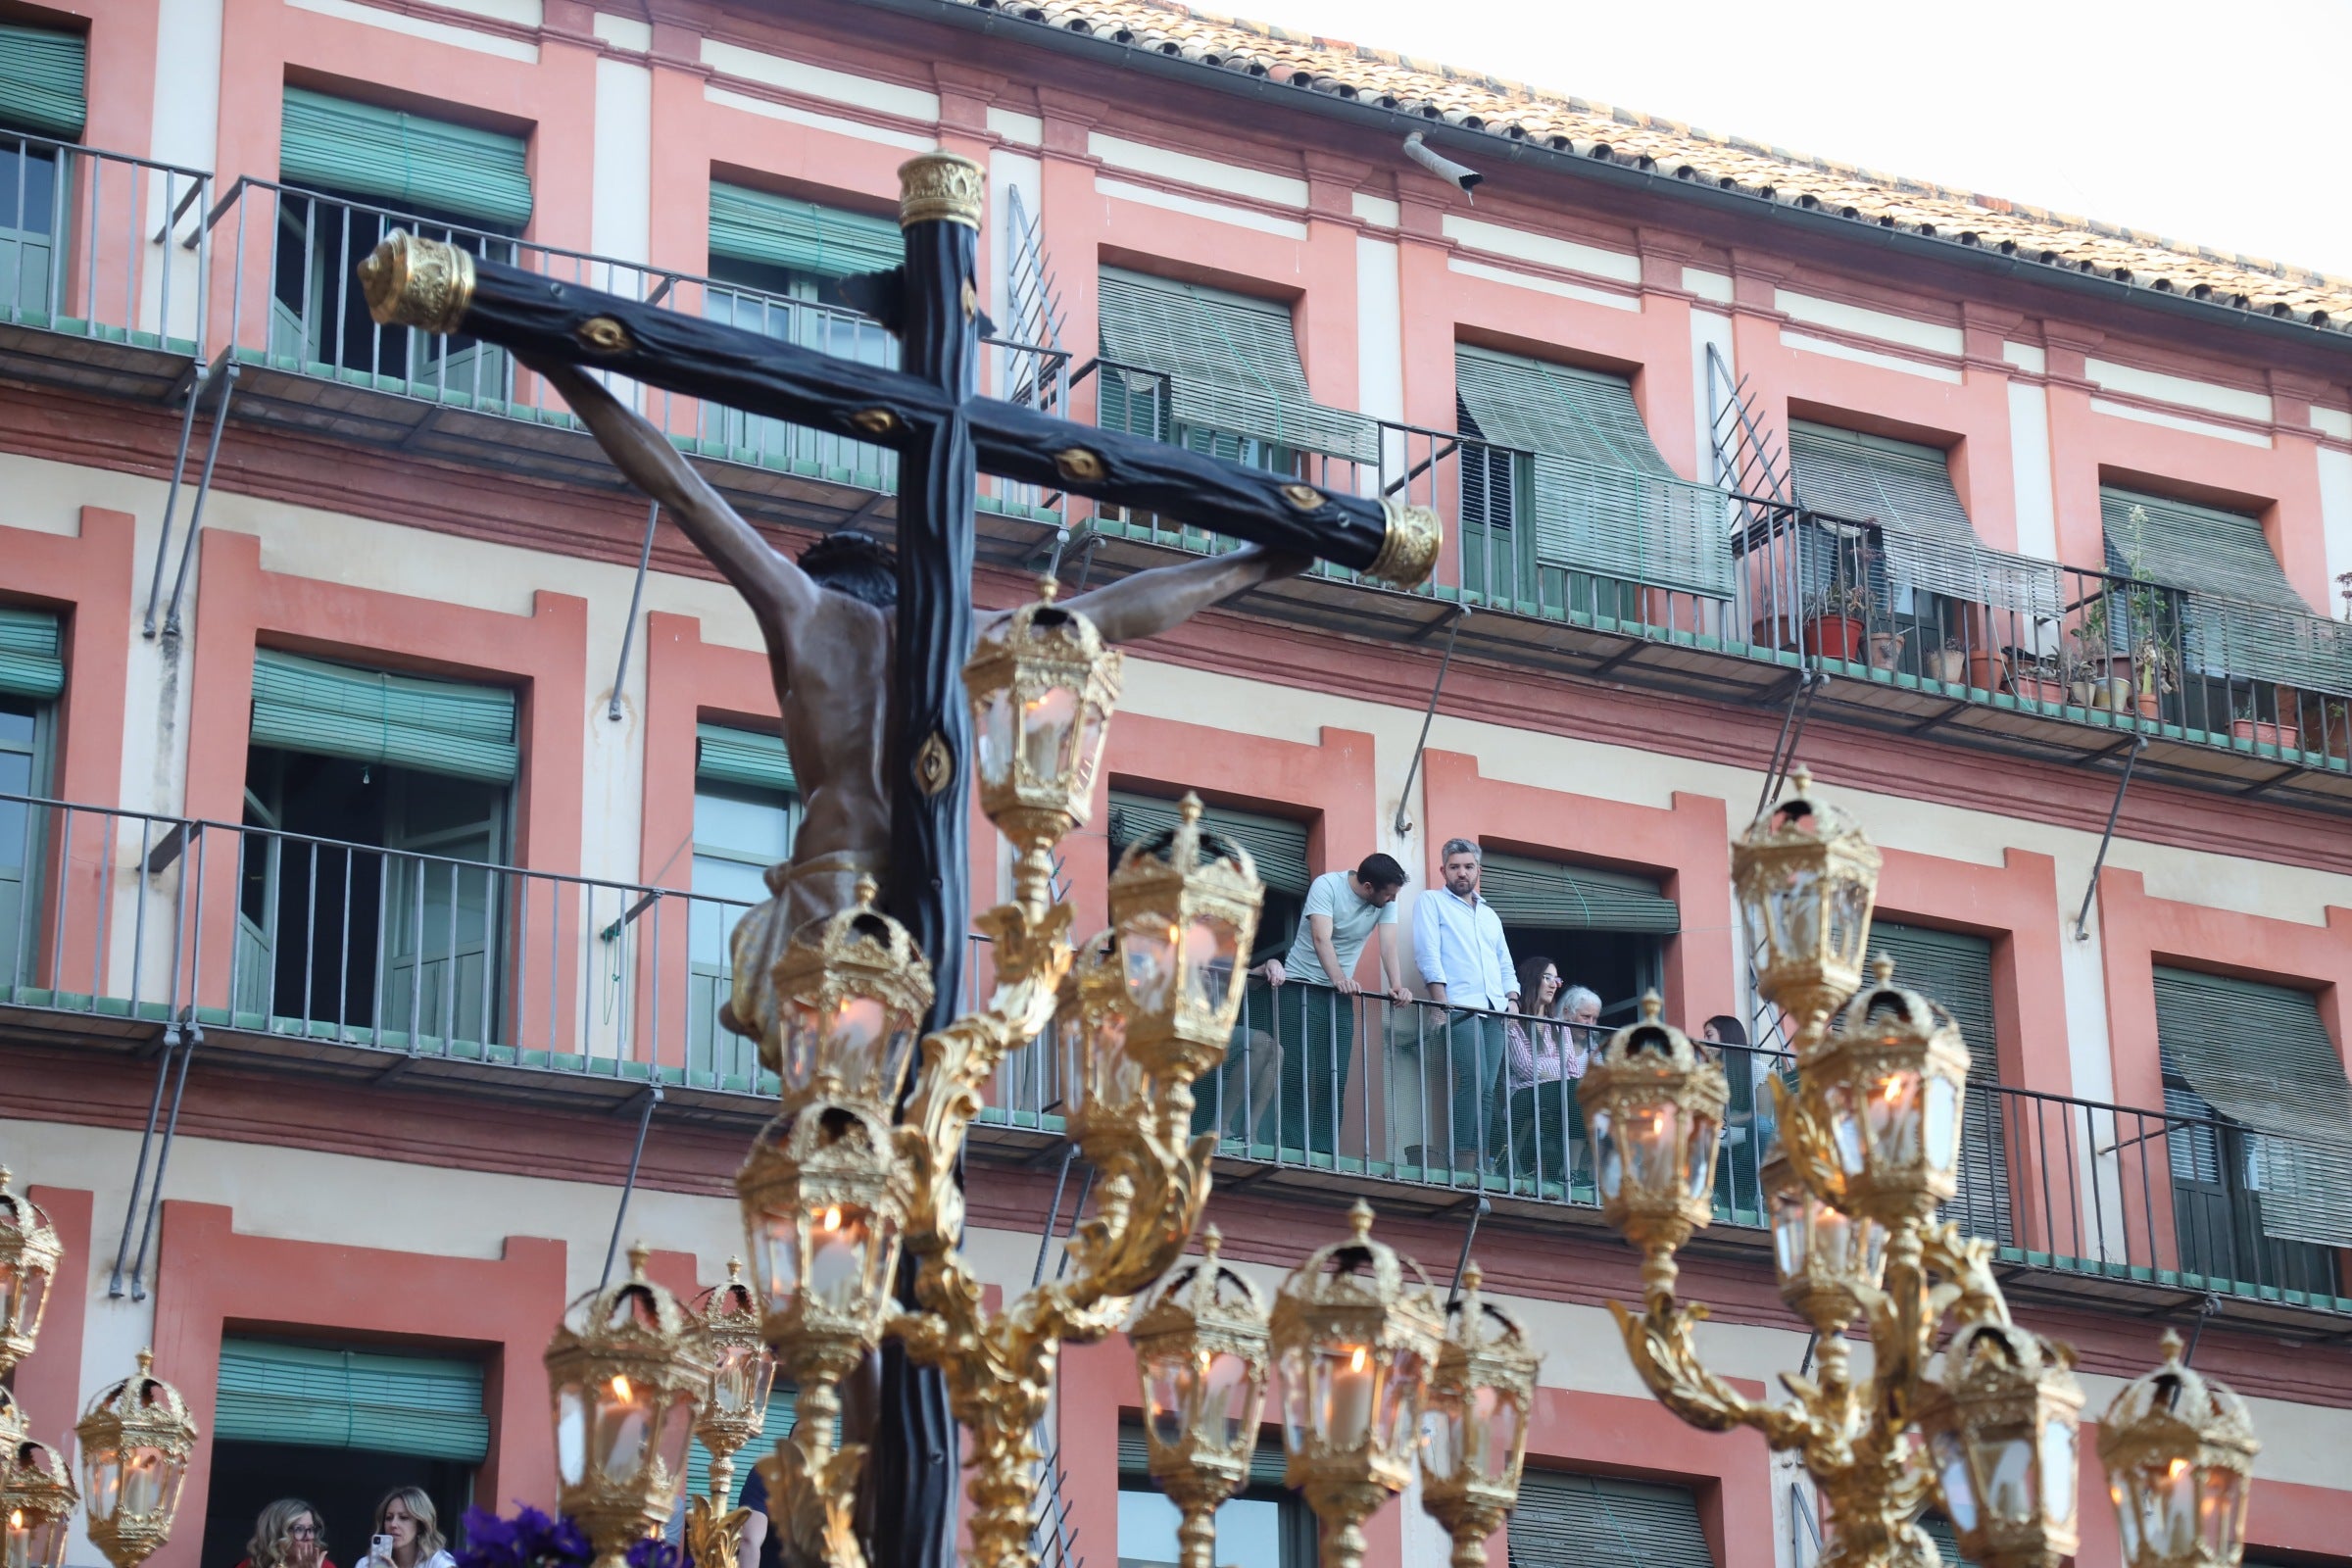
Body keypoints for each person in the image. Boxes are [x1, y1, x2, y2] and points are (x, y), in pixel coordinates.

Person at [517, 354, 1313, 1048]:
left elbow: (683, 490)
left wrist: (560, 365)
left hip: (832, 878)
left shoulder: (804, 612)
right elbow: (1118, 611)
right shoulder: (966, 634)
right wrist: (1258, 563)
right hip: (931, 893)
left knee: (835, 1114)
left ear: (823, 583)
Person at [1253, 853, 1412, 1157]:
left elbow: (1388, 945)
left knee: (1335, 1073)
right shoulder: (1327, 886)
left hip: (1338, 996)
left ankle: (1325, 1151)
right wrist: (1340, 978)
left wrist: (1396, 984)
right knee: (1297, 1069)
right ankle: (1293, 1146)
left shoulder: (1386, 901)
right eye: (1389, 894)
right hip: (1299, 986)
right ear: (1369, 887)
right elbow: (1321, 938)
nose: (1393, 899)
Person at [1410, 839, 1517, 1177]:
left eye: (1468, 867)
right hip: (1459, 1006)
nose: (1462, 873)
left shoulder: (1489, 914)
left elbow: (1504, 962)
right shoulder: (1431, 902)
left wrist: (1513, 999)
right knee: (1473, 1078)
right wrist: (1439, 1002)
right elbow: (1427, 953)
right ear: (1443, 870)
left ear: (1478, 871)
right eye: (1455, 867)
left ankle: (1478, 1158)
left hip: (1494, 1009)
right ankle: (1460, 1154)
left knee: (1487, 1089)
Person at [1703, 1014, 1763, 1213]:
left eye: (1709, 1035)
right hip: (1720, 1143)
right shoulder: (1710, 1075)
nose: (1705, 1041)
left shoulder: (1757, 1069)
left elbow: (1763, 1114)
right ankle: (1712, 1195)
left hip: (1750, 1143)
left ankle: (1762, 1195)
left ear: (1725, 1035)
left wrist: (1728, 1119)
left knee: (1762, 1125)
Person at [352, 1489, 454, 1568]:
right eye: (389, 1518)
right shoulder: (365, 1565)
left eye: (403, 1518)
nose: (393, 1524)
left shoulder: (439, 1562)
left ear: (420, 1525)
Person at [235, 1499, 333, 1568]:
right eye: (299, 1529)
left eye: (311, 1529)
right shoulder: (248, 1565)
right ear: (276, 1533)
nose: (309, 1537)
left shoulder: (325, 1566)